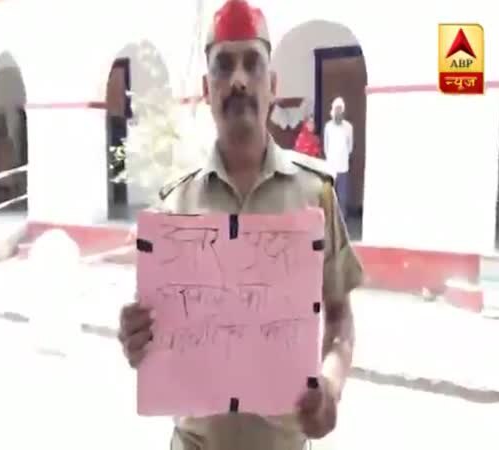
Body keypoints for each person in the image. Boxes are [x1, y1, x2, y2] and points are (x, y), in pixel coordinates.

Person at [117, 1, 363, 449]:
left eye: (253, 63)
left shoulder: (315, 194)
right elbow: (154, 336)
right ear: (206, 89)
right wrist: (136, 338)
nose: (239, 80)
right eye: (223, 66)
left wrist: (330, 385)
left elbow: (340, 315)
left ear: (273, 85)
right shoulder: (175, 205)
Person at [323, 97, 353, 218]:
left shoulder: (348, 127)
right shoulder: (328, 127)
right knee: (330, 196)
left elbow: (350, 146)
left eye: (340, 109)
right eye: (336, 109)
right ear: (333, 110)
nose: (338, 111)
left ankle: (342, 221)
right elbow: (326, 147)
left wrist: (343, 156)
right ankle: (330, 220)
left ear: (343, 111)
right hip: (331, 167)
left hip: (343, 167)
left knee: (342, 196)